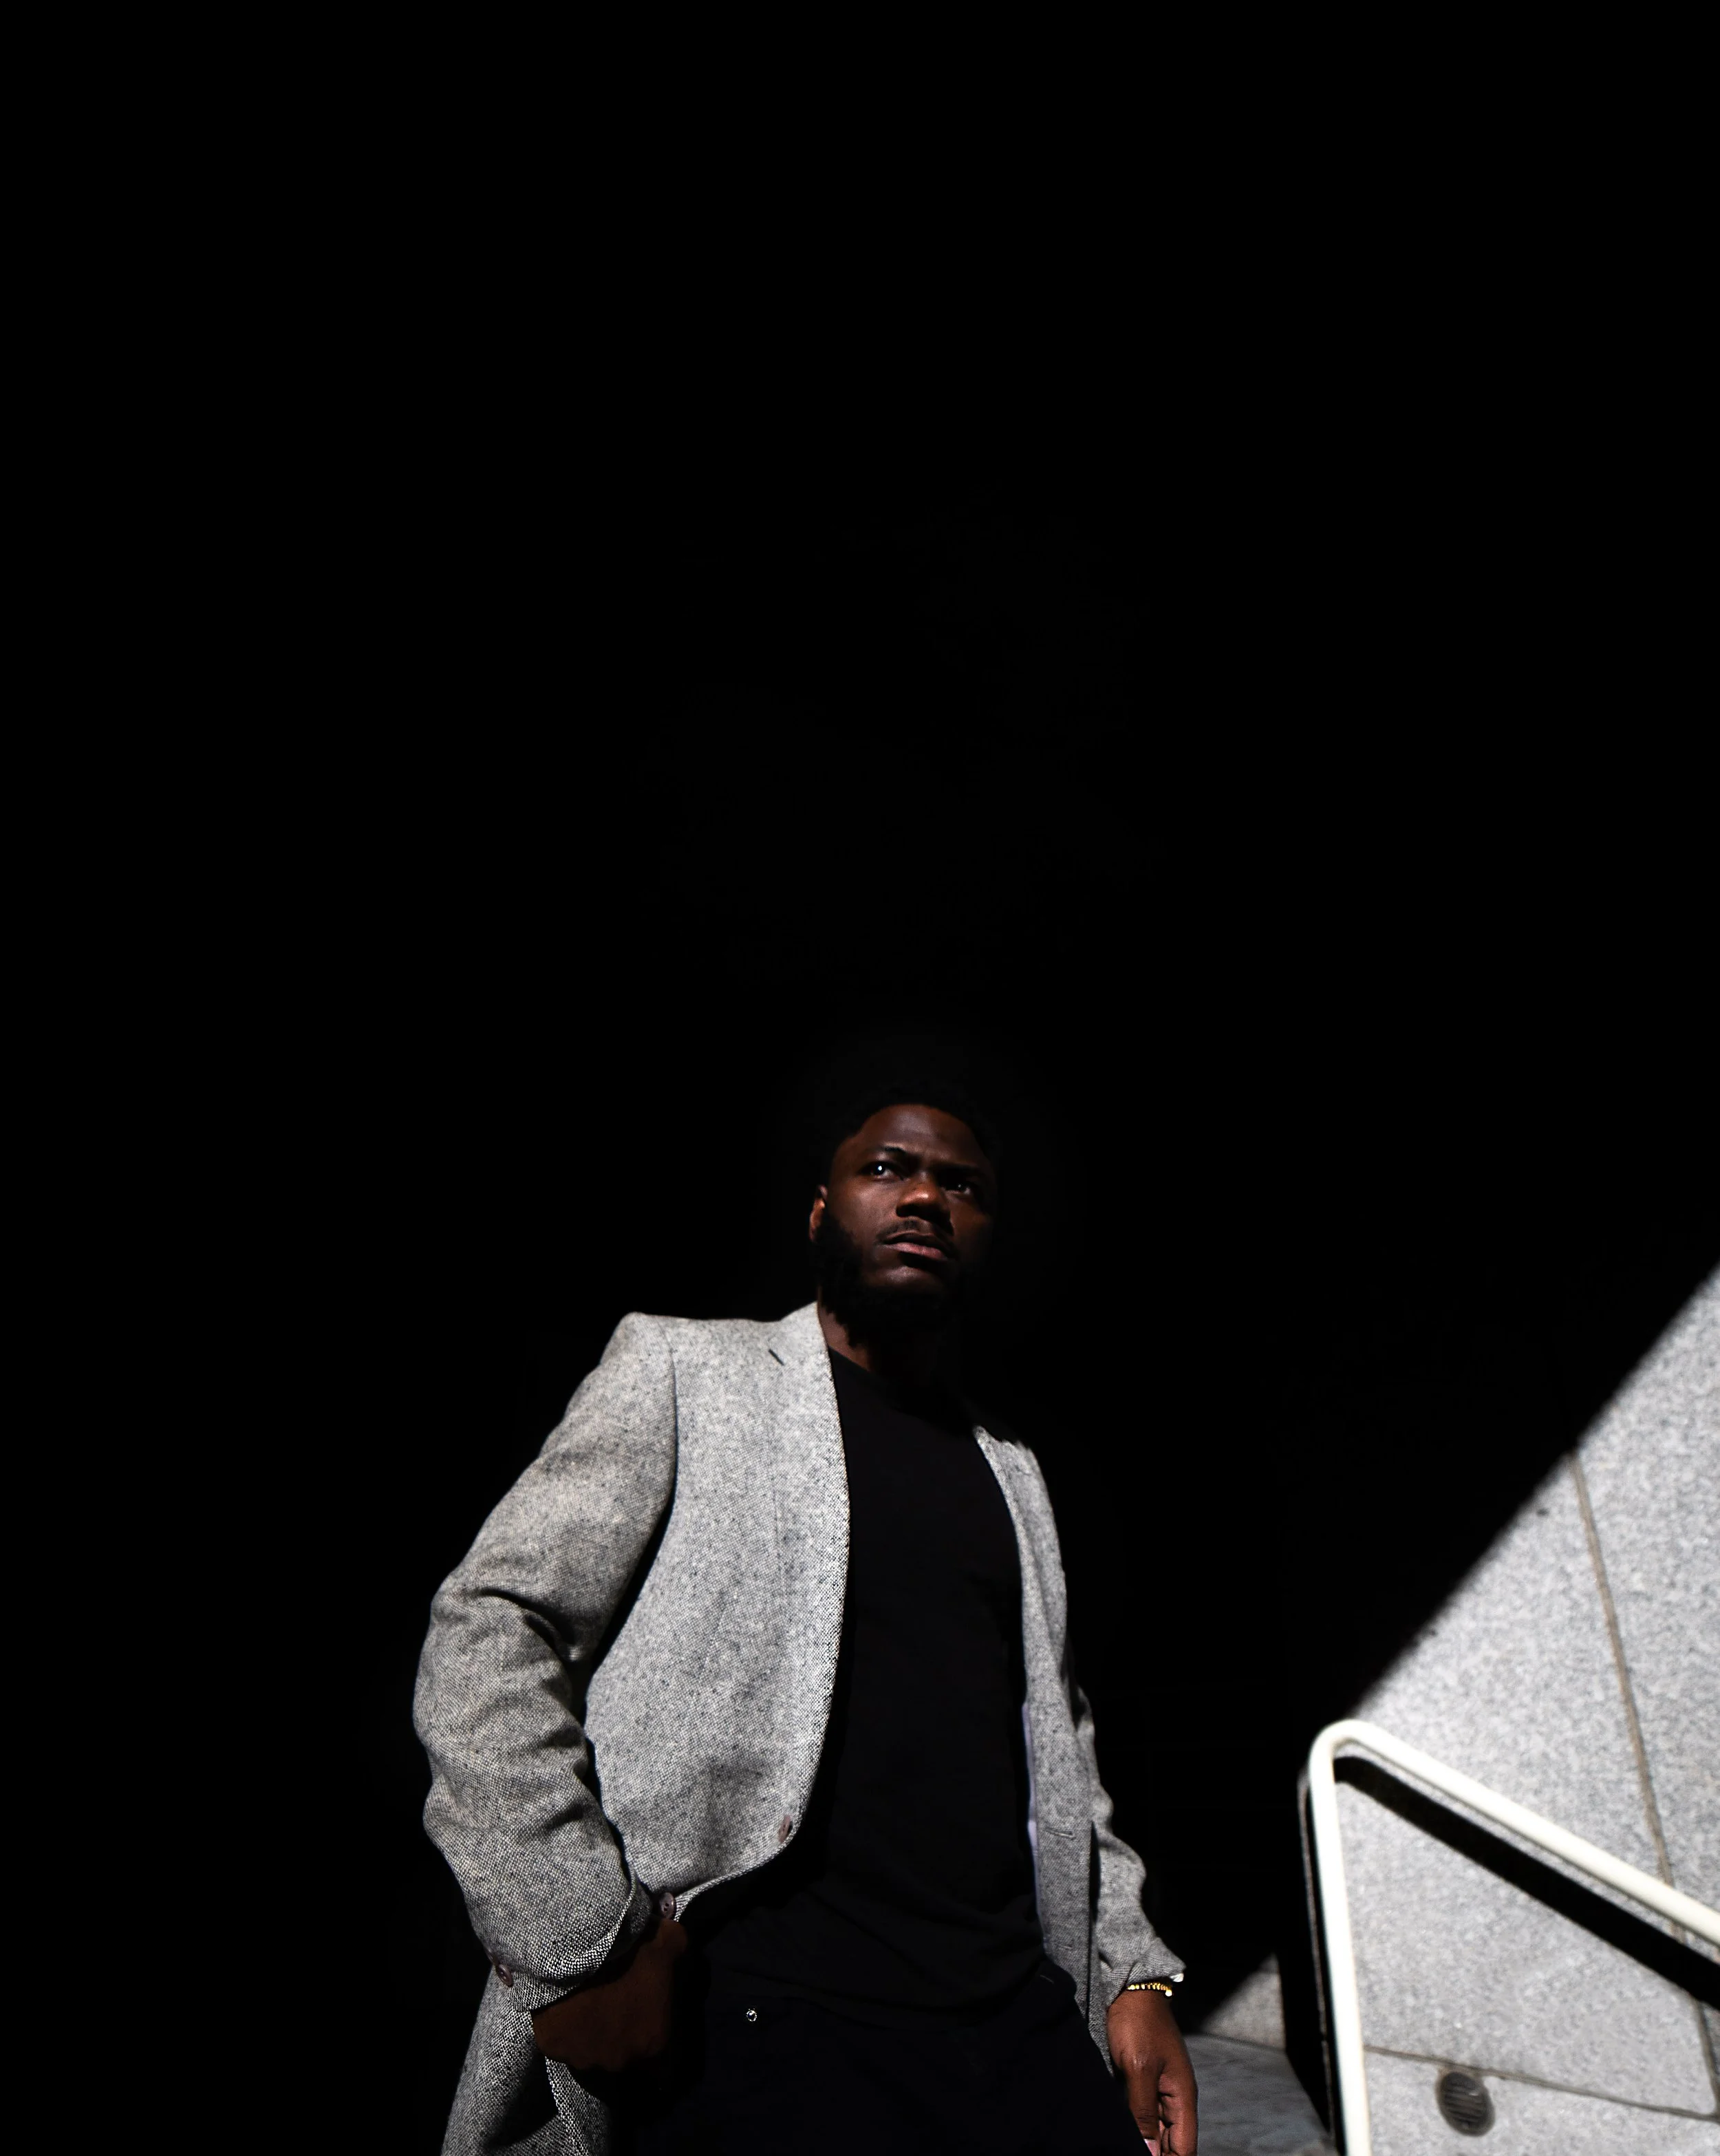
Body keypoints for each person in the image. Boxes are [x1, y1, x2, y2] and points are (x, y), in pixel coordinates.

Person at [415, 1082, 1198, 2155]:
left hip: (1014, 2027)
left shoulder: (1011, 1469)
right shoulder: (684, 1370)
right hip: (746, 2023)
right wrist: (579, 1943)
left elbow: (1061, 1740)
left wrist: (1132, 1972)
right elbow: (491, 1624)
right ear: (823, 1211)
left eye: (960, 1185)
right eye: (886, 1169)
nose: (924, 1197)